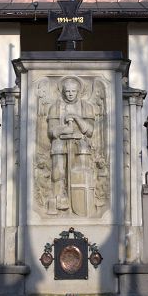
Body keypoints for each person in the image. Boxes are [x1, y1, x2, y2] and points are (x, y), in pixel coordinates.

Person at [47, 77, 94, 213]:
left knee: (80, 176)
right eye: (67, 91)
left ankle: (80, 206)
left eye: (73, 91)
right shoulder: (55, 107)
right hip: (59, 146)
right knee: (57, 174)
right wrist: (63, 129)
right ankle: (58, 202)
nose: (70, 94)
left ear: (79, 91)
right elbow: (51, 131)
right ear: (62, 92)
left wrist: (77, 118)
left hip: (80, 146)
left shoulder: (87, 107)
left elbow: (90, 131)